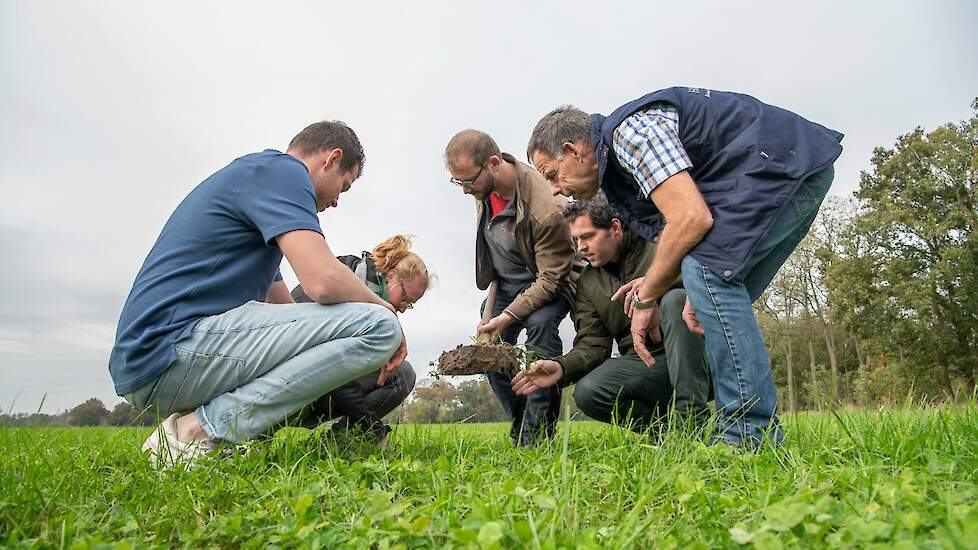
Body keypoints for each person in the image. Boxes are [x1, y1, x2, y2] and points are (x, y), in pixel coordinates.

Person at [526, 87, 843, 447]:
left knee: (707, 271)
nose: (554, 190)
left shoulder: (629, 135)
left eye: (553, 175)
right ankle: (746, 429)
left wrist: (647, 296)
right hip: (794, 169)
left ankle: (747, 434)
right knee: (709, 279)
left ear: (573, 150)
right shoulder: (618, 173)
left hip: (781, 166)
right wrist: (694, 290)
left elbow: (691, 218)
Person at [109, 121, 407, 468]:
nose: (338, 200)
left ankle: (228, 434)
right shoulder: (282, 172)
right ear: (331, 158)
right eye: (344, 184)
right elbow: (322, 280)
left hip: (154, 360)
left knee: (372, 328)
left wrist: (336, 369)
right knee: (379, 326)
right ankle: (196, 432)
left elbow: (292, 316)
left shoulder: (259, 205)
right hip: (168, 348)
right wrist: (387, 313)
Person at [512, 194, 711, 434]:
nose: (581, 248)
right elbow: (593, 344)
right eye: (576, 240)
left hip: (703, 358)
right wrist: (561, 367)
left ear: (615, 227)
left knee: (675, 300)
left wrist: (655, 287)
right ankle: (671, 436)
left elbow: (703, 279)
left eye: (587, 236)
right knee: (589, 391)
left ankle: (691, 421)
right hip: (649, 365)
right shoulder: (587, 282)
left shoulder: (658, 244)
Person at [444, 129, 579, 447]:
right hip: (504, 285)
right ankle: (523, 422)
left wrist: (507, 316)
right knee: (489, 347)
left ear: (493, 163)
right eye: (458, 183)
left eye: (467, 182)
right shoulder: (481, 190)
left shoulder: (547, 209)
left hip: (548, 281)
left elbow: (551, 279)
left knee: (541, 329)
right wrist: (497, 316)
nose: (464, 191)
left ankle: (539, 436)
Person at [289, 235, 428, 444]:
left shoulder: (369, 293)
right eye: (405, 299)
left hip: (317, 387)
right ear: (391, 276)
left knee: (402, 374)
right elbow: (336, 375)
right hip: (287, 388)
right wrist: (374, 428)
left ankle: (337, 440)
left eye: (410, 304)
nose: (403, 308)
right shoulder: (343, 289)